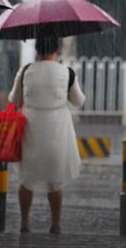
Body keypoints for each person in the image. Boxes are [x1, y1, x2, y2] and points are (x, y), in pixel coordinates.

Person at [8, 35, 85, 234]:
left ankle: (25, 222)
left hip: (30, 129)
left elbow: (13, 99)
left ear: (37, 49)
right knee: (55, 180)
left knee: (27, 179)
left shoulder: (25, 71)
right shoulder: (66, 73)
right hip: (57, 130)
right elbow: (78, 101)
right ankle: (56, 224)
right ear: (57, 50)